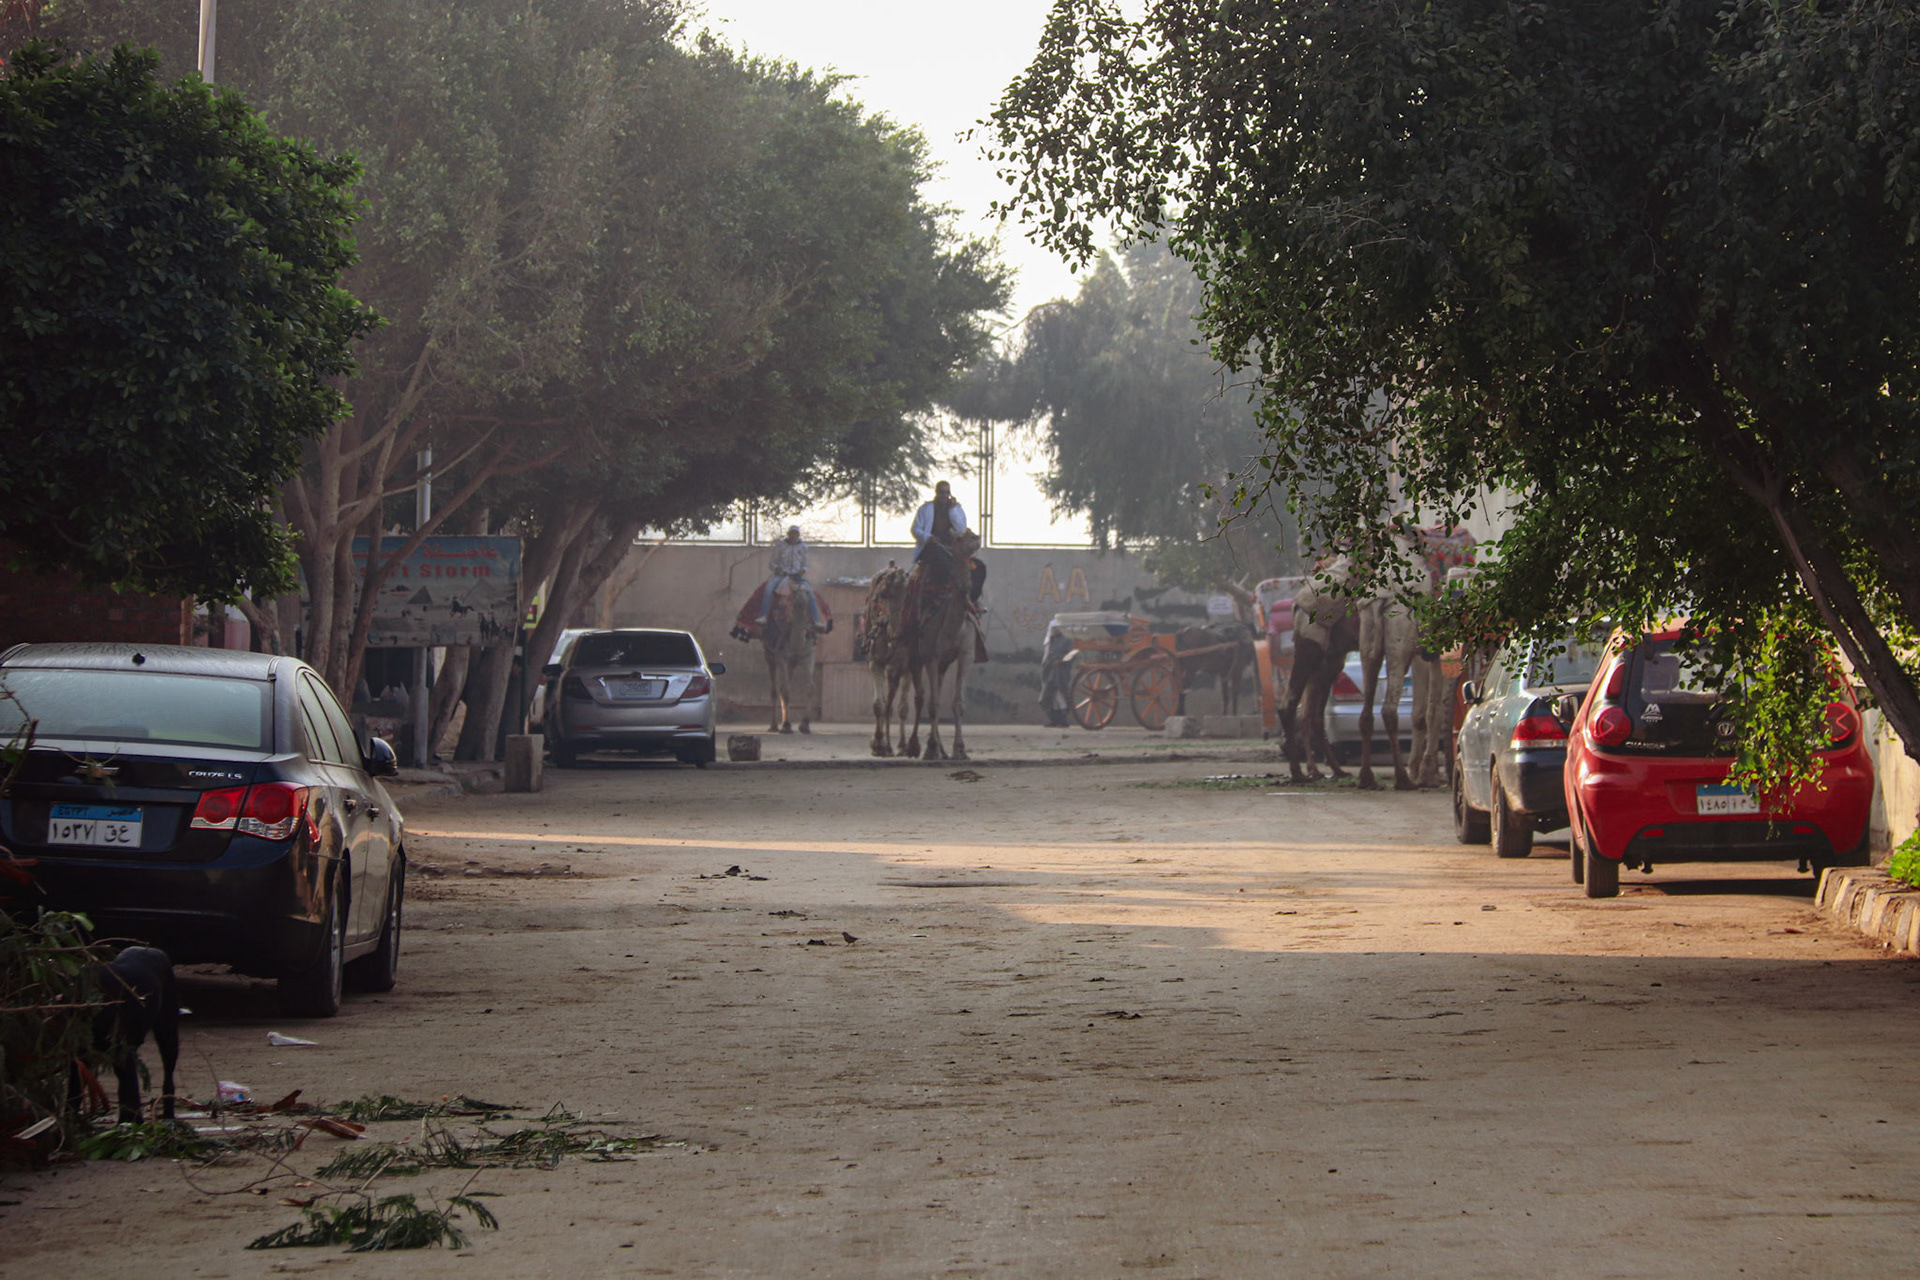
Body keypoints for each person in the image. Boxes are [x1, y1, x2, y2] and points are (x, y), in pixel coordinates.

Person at [755, 526, 825, 630]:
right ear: (788, 534)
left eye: (795, 533)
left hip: (797, 577)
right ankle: (763, 616)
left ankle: (816, 620)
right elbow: (772, 563)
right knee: (768, 588)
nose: (793, 535)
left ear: (798, 535)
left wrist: (803, 570)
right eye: (791, 533)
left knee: (810, 591)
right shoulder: (780, 546)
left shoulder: (803, 547)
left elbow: (805, 564)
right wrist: (776, 568)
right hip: (781, 575)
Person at [911, 480, 968, 562]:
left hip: (953, 548)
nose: (944, 495)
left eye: (947, 492)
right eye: (942, 492)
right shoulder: (925, 509)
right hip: (931, 547)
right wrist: (928, 537)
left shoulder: (957, 509)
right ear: (936, 492)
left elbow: (962, 529)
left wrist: (953, 510)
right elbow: (915, 529)